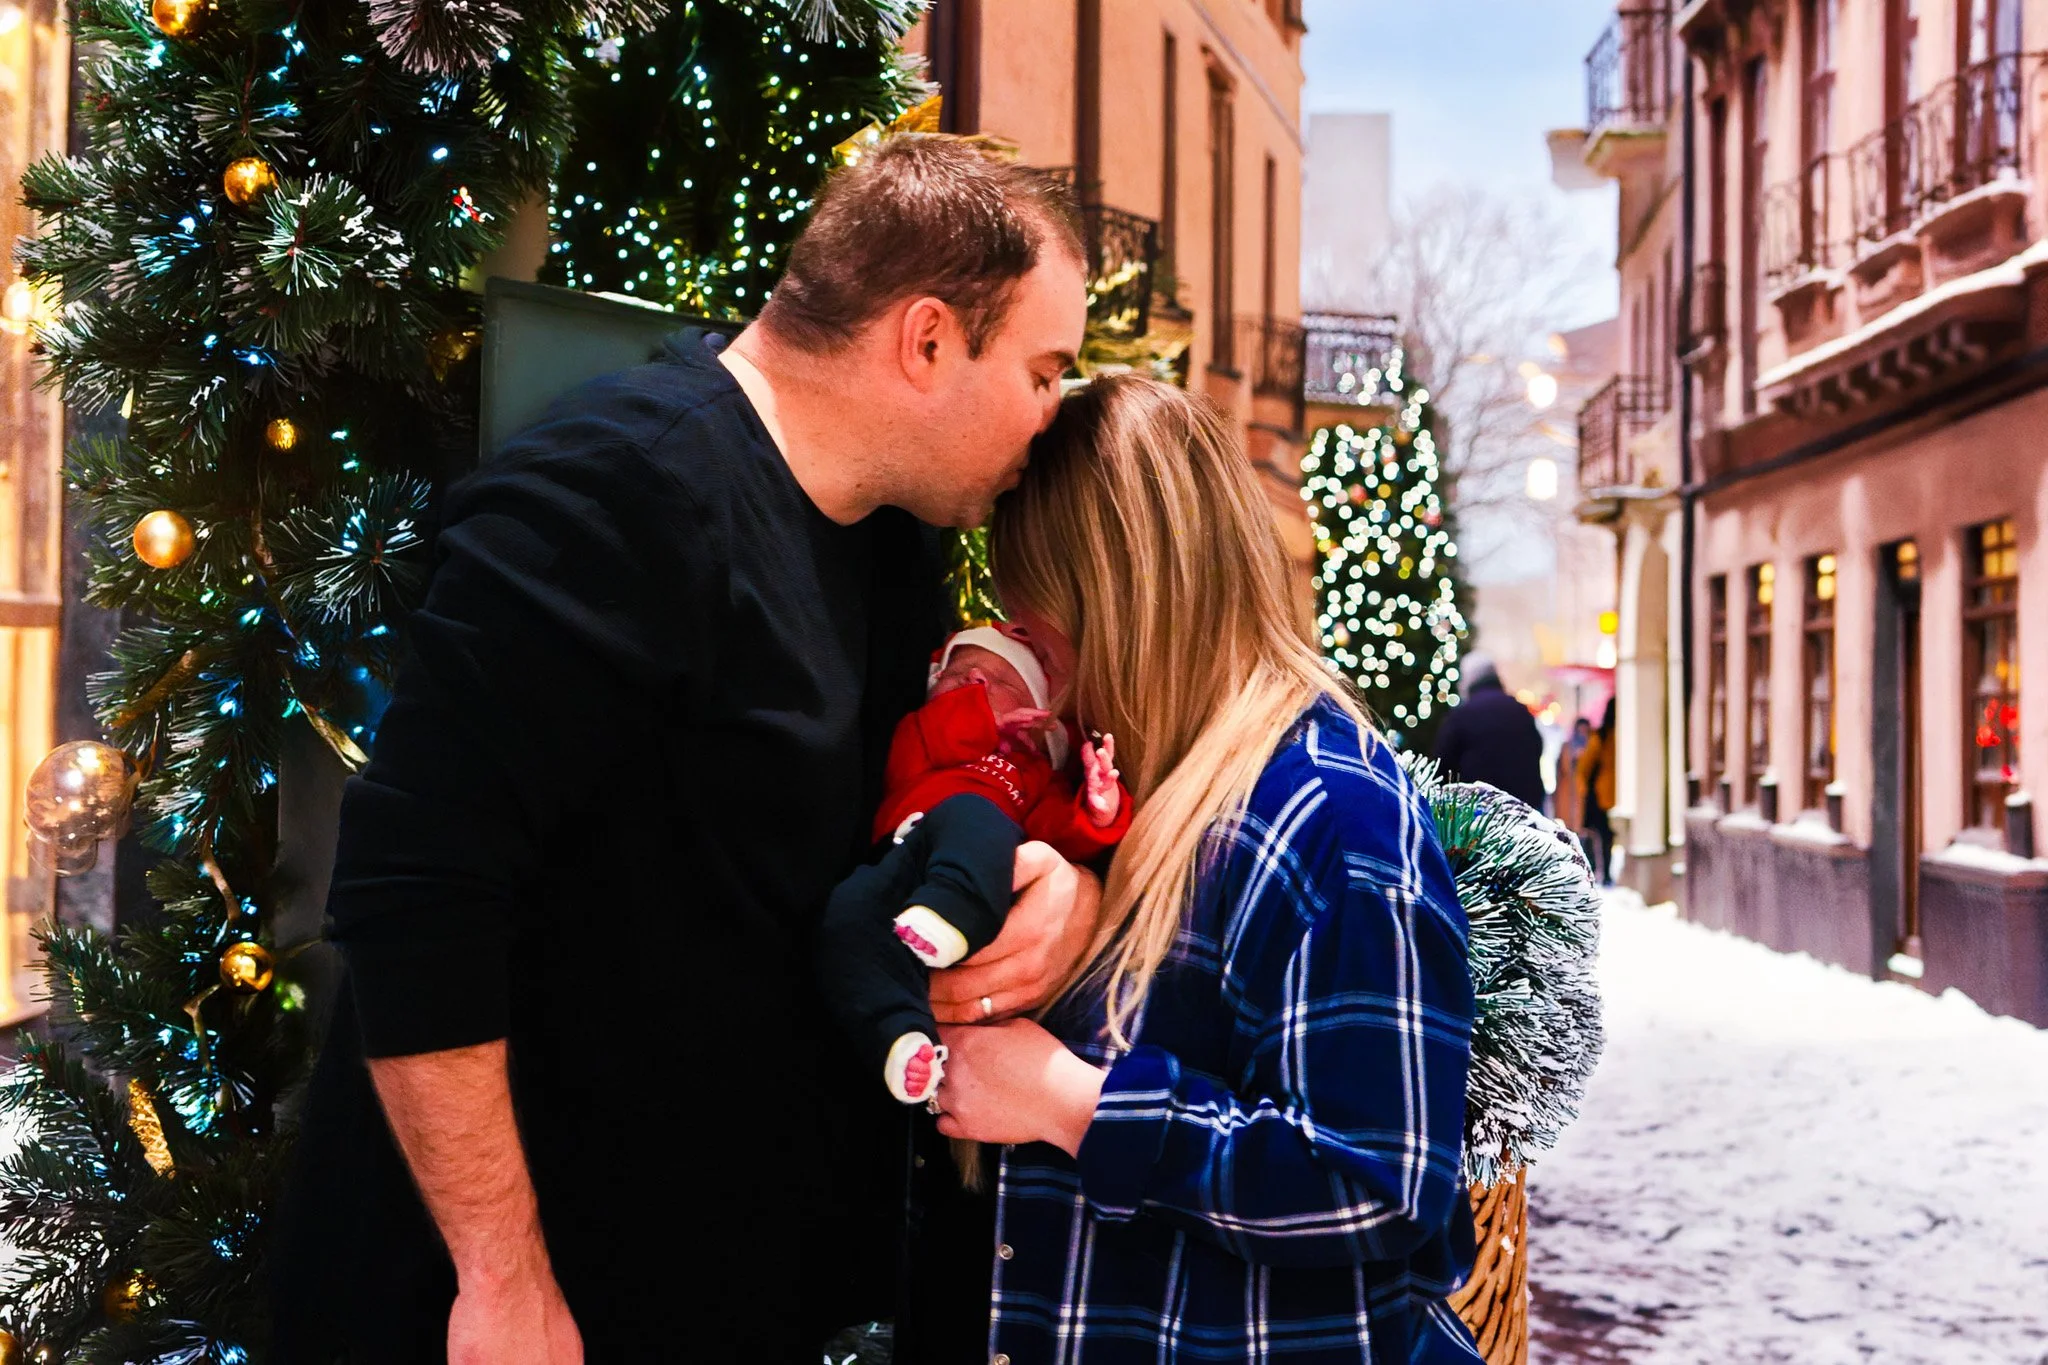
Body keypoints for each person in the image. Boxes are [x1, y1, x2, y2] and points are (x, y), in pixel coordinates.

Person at [270, 137, 1098, 1364]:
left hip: (720, 1280)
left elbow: (897, 824)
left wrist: (1056, 895)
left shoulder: (885, 536)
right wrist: (501, 1281)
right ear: (926, 340)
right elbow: (415, 896)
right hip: (521, 1301)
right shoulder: (618, 491)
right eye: (1043, 370)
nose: (1052, 412)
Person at [922, 375, 1481, 1363]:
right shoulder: (1147, 786)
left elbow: (1377, 1183)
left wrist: (1074, 1103)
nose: (1038, 691)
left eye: (1045, 642)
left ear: (1126, 610)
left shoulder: (1332, 817)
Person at [818, 624, 1130, 1105]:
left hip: (975, 864)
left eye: (1005, 683)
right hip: (901, 857)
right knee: (847, 913)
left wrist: (1097, 809)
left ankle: (943, 945)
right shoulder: (922, 740)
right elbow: (922, 740)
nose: (977, 682)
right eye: (960, 673)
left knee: (976, 818)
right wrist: (979, 719)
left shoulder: (1030, 777)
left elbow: (1059, 836)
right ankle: (897, 1030)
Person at [1432, 651, 1547, 810]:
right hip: (1525, 808)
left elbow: (1442, 764)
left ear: (1468, 679)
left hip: (1481, 813)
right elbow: (1538, 747)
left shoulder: (1462, 715)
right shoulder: (1520, 710)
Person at [1579, 699, 1618, 886]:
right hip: (1606, 793)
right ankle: (1603, 872)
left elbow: (1584, 767)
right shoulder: (1606, 737)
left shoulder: (1600, 736)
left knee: (1599, 834)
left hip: (1602, 793)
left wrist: (1584, 789)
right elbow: (1586, 766)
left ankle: (1597, 870)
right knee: (1604, 835)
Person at [1555, 715, 1593, 830]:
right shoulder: (1567, 747)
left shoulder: (1591, 747)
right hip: (1568, 792)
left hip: (1583, 793)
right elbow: (1564, 769)